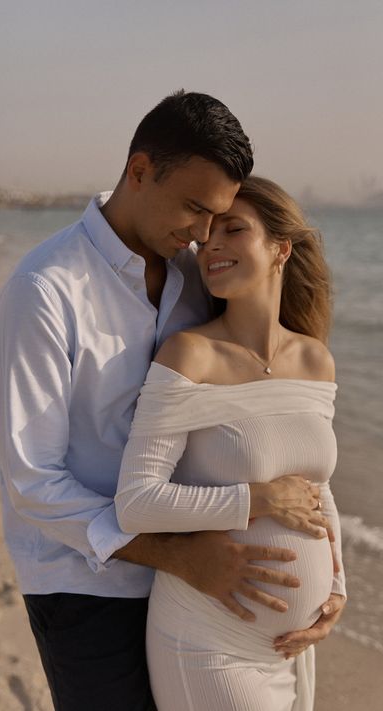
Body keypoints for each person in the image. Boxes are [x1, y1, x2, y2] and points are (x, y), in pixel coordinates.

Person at [0, 90, 344, 711]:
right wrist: (181, 555)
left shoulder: (191, 278)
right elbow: (34, 484)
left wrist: (330, 575)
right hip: (87, 585)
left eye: (221, 218)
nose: (203, 235)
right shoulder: (46, 290)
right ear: (140, 170)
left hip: (198, 586)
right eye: (194, 209)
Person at [114, 175, 347, 711]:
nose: (210, 245)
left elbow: (317, 491)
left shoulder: (315, 360)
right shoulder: (188, 355)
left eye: (233, 230)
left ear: (280, 248)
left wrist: (337, 586)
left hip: (290, 649)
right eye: (206, 236)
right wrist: (257, 498)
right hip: (209, 639)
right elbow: (135, 501)